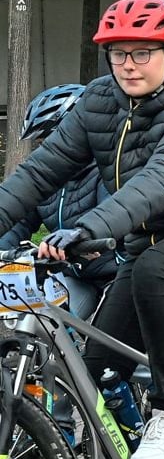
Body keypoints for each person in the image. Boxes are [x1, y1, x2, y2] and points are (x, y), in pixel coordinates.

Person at [0, 0, 164, 459]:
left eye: (142, 52)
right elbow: (40, 172)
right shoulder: (100, 101)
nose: (128, 65)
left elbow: (158, 182)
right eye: (118, 53)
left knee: (156, 269)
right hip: (145, 242)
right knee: (97, 370)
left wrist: (89, 228)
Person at [0, 84, 123, 319]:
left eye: (52, 138)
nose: (47, 148)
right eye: (42, 141)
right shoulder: (47, 180)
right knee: (43, 324)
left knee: (111, 337)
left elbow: (112, 216)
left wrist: (79, 235)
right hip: (75, 275)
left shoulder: (108, 170)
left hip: (118, 274)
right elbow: (18, 221)